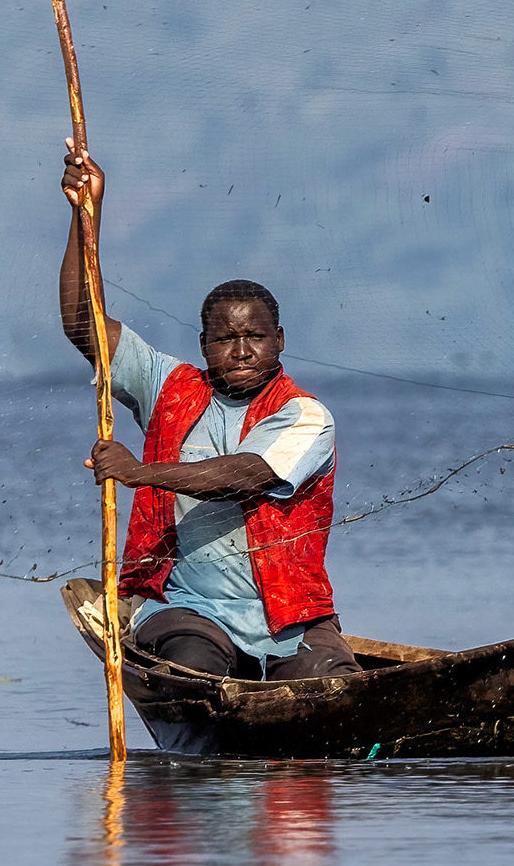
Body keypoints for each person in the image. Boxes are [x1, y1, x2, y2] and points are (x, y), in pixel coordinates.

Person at [57, 142, 360, 680]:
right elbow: (86, 325)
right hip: (189, 611)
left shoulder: (306, 416)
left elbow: (243, 476)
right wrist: (87, 214)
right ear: (203, 345)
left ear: (280, 341)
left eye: (255, 337)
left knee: (332, 691)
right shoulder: (169, 387)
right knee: (192, 669)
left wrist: (139, 473)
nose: (241, 351)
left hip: (289, 617)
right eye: (225, 338)